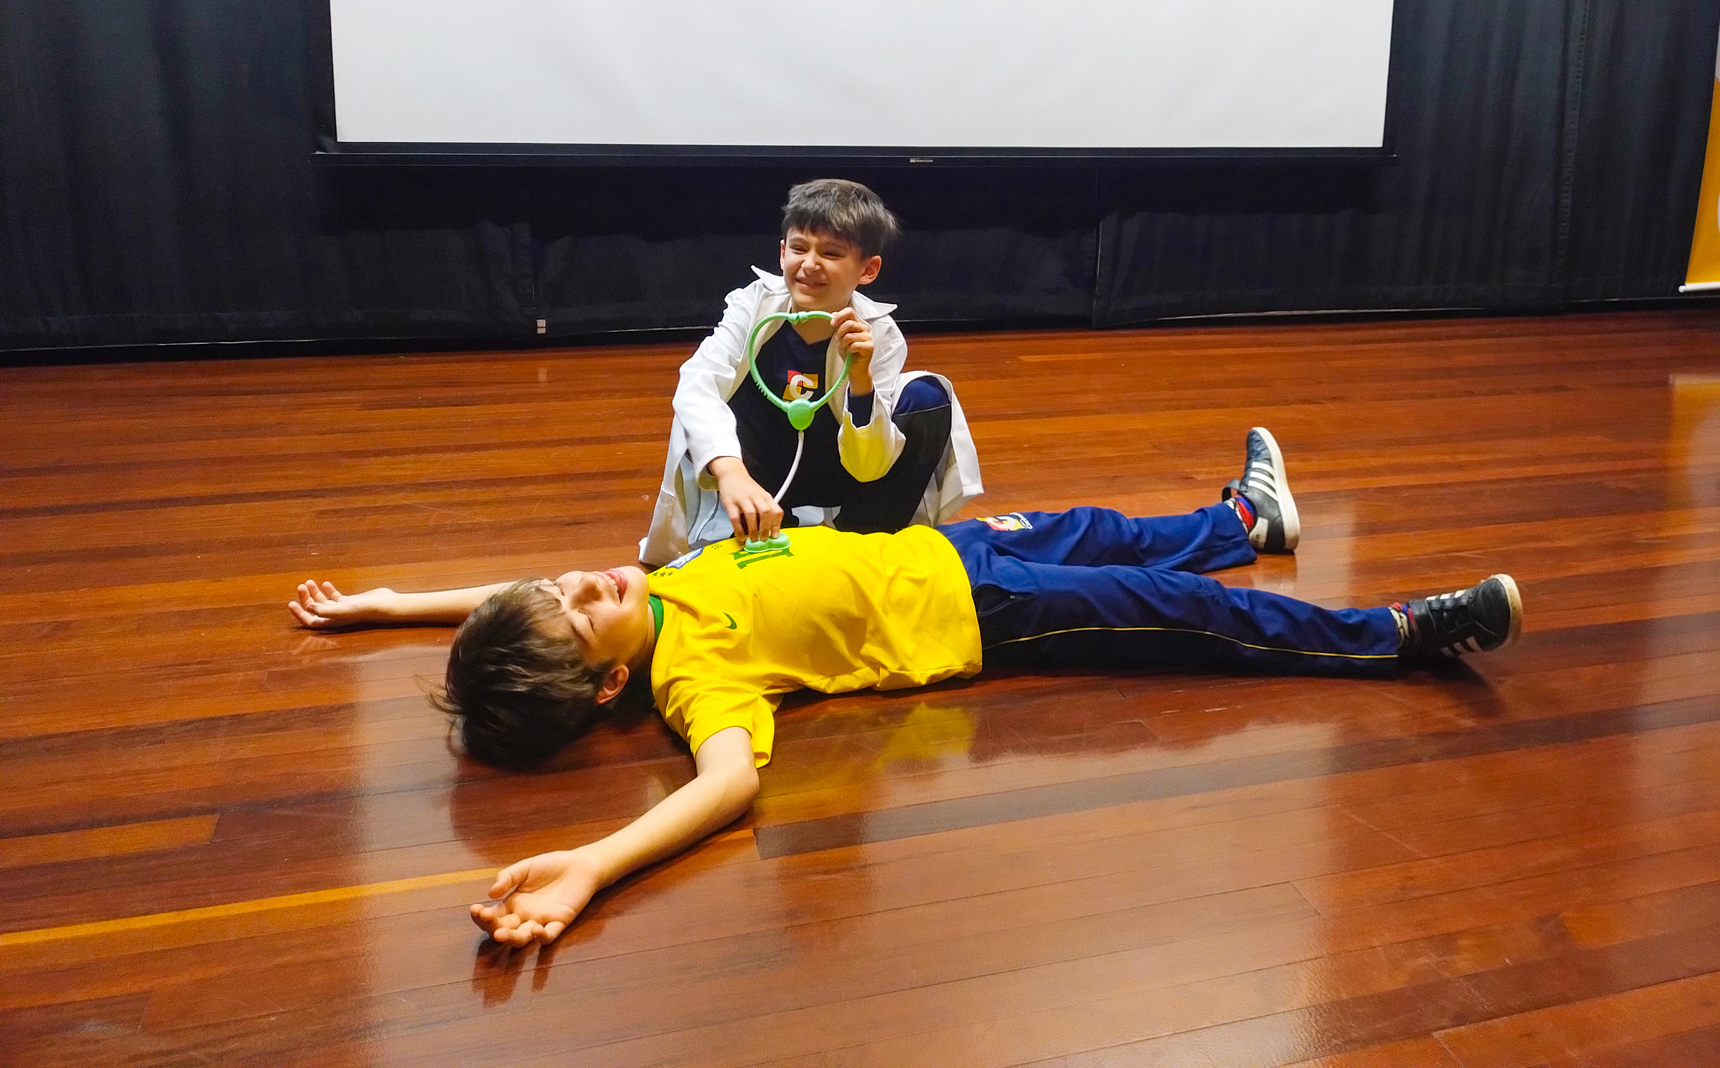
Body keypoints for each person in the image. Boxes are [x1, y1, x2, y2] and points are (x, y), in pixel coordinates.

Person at [288, 429, 1521, 948]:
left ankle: (1243, 521)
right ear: (611, 686)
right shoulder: (694, 674)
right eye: (576, 611)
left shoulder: (652, 586)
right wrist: (594, 866)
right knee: (1183, 617)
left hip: (946, 551)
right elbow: (724, 788)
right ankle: (1402, 635)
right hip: (979, 619)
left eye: (559, 585)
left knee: (1102, 527)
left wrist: (395, 604)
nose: (577, 581)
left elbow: (523, 594)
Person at [637, 178, 980, 563]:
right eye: (799, 248)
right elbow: (698, 383)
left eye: (831, 253)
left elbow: (868, 468)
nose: (810, 264)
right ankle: (748, 523)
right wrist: (731, 472)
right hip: (757, 468)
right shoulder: (752, 305)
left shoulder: (879, 335)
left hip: (832, 471)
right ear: (783, 252)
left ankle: (862, 548)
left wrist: (861, 381)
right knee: (705, 402)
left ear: (868, 270)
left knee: (928, 396)